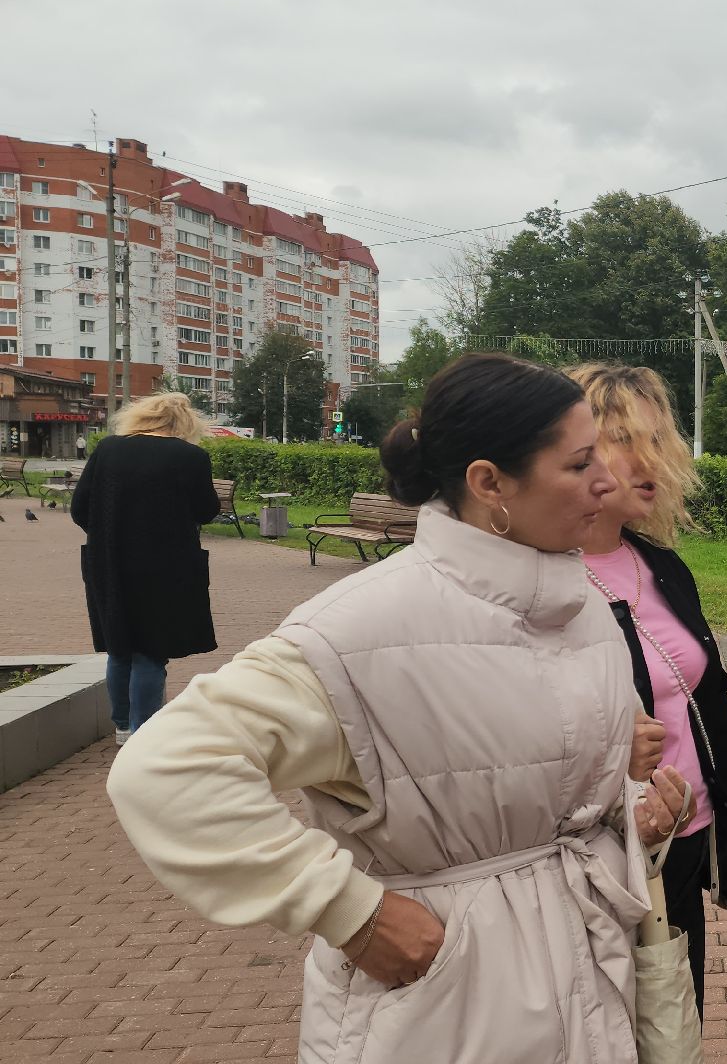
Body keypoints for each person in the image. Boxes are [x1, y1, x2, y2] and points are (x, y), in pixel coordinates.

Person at [107, 354, 692, 1062]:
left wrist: (638, 814)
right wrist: (354, 914)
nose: (607, 480)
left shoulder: (583, 609)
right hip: (441, 1011)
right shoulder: (359, 630)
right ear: (489, 483)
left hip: (592, 986)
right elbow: (164, 770)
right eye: (578, 465)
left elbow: (559, 795)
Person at [569, 363, 727, 1015]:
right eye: (622, 437)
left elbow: (707, 708)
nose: (649, 458)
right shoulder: (539, 582)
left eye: (658, 437)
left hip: (679, 842)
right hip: (593, 861)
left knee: (676, 1024)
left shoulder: (661, 567)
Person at [72, 392, 220, 742]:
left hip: (108, 562)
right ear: (185, 422)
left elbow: (81, 509)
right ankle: (146, 731)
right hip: (165, 567)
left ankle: (122, 725)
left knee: (120, 646)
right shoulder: (190, 456)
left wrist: (111, 533)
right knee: (152, 650)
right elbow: (206, 510)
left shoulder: (107, 449)